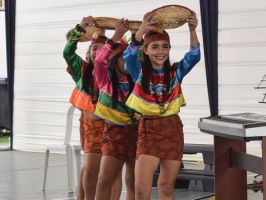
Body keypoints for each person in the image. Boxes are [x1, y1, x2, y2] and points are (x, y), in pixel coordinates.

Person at [123, 11, 201, 199]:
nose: (161, 52)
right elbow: (129, 56)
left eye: (165, 47)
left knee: (166, 186)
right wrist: (142, 28)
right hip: (148, 130)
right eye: (155, 47)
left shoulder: (176, 73)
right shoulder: (138, 72)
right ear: (146, 50)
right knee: (141, 188)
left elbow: (194, 55)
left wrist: (192, 30)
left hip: (172, 130)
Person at [63, 16, 122, 200]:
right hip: (91, 128)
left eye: (103, 49)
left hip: (114, 127)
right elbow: (68, 52)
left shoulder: (116, 71)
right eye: (95, 48)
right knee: (91, 169)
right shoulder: (82, 70)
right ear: (89, 52)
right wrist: (80, 26)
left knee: (113, 172)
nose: (99, 51)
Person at [93, 19, 137, 200]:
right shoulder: (105, 81)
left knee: (133, 180)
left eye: (128, 56)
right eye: (122, 57)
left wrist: (138, 35)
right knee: (105, 179)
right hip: (114, 135)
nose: (126, 59)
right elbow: (99, 59)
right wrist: (117, 36)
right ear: (114, 60)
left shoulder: (137, 77)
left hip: (137, 133)